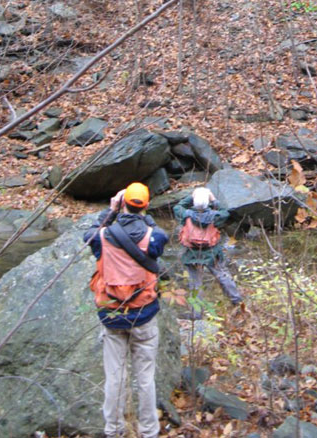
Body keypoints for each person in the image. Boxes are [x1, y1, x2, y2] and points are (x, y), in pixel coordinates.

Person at [84, 182, 168, 438]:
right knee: (145, 379)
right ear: (145, 205)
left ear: (123, 204)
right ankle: (149, 431)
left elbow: (89, 233)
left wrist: (111, 211)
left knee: (115, 378)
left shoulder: (101, 236)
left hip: (112, 315)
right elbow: (157, 236)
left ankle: (114, 430)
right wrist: (144, 216)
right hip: (143, 315)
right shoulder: (155, 236)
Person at [173, 187, 242, 319]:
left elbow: (178, 206)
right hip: (211, 253)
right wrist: (214, 199)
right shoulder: (216, 217)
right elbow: (225, 212)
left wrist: (191, 196)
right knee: (222, 275)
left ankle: (196, 314)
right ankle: (237, 301)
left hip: (191, 254)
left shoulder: (185, 214)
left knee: (195, 283)